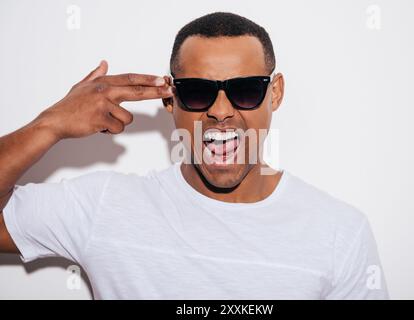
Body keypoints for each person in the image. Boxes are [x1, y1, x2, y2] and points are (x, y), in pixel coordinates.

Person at [0, 12, 388, 299]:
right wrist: (48, 126)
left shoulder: (339, 232)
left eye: (246, 89)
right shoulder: (105, 207)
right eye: (199, 91)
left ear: (275, 94)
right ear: (171, 99)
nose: (220, 111)